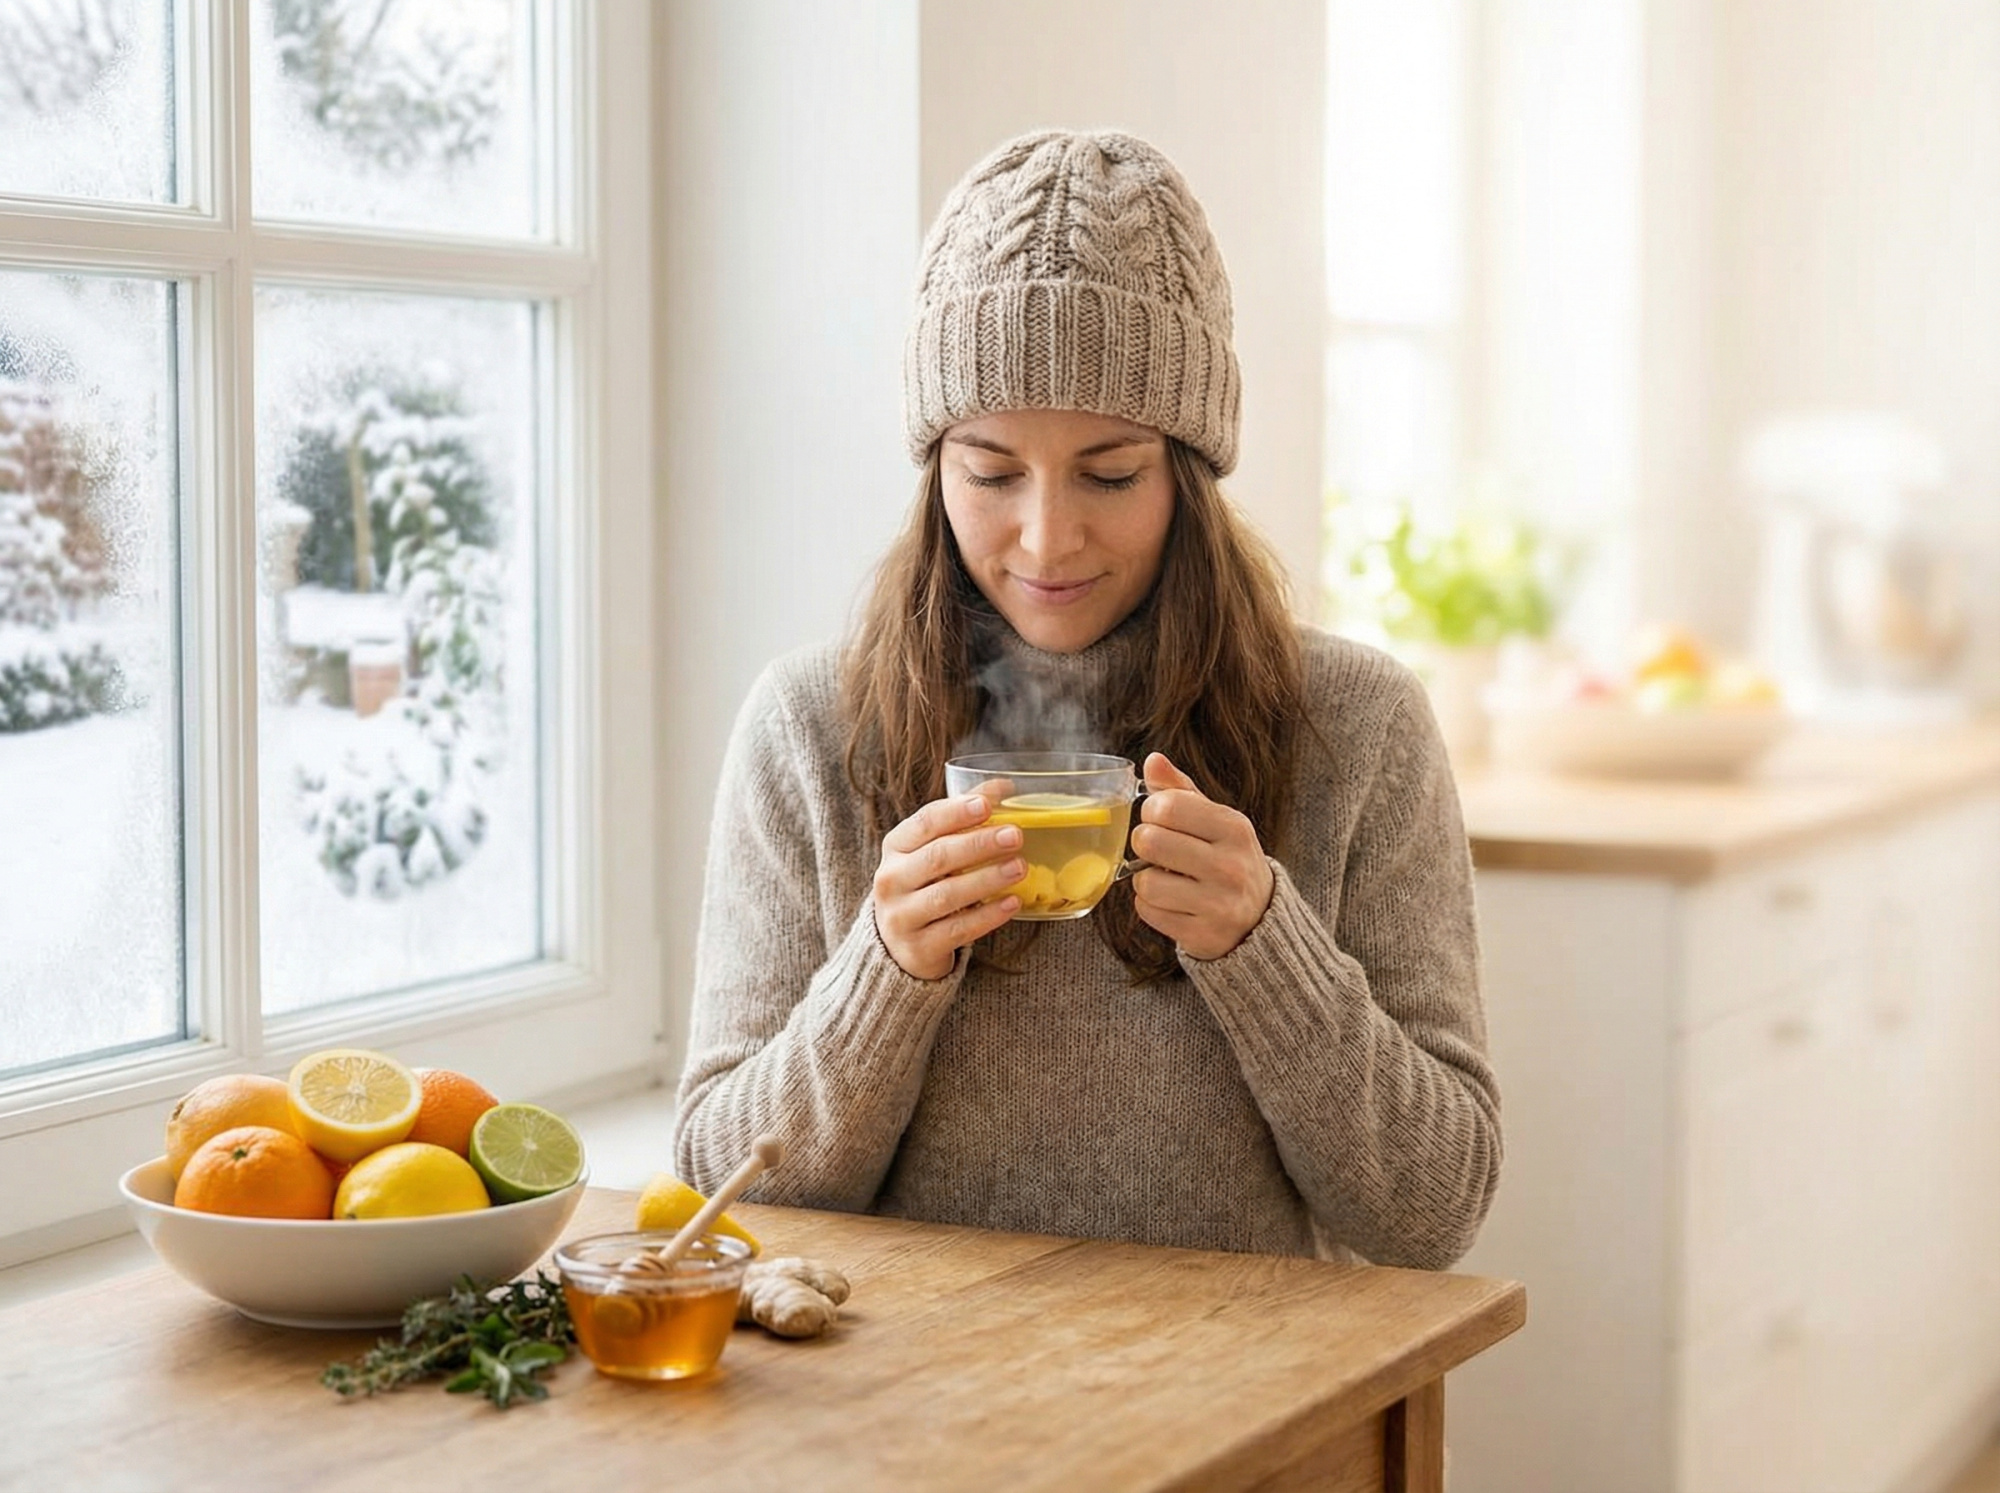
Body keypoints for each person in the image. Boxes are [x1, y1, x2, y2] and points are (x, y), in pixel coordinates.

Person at [671, 128, 1499, 1269]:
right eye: (990, 470)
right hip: (904, 1411)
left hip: (1245, 1406)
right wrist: (886, 970)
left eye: (1110, 473)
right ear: (932, 467)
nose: (1047, 537)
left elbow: (1429, 1213)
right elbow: (722, 1194)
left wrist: (1264, 946)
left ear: (1188, 472)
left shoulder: (1355, 723)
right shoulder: (813, 725)